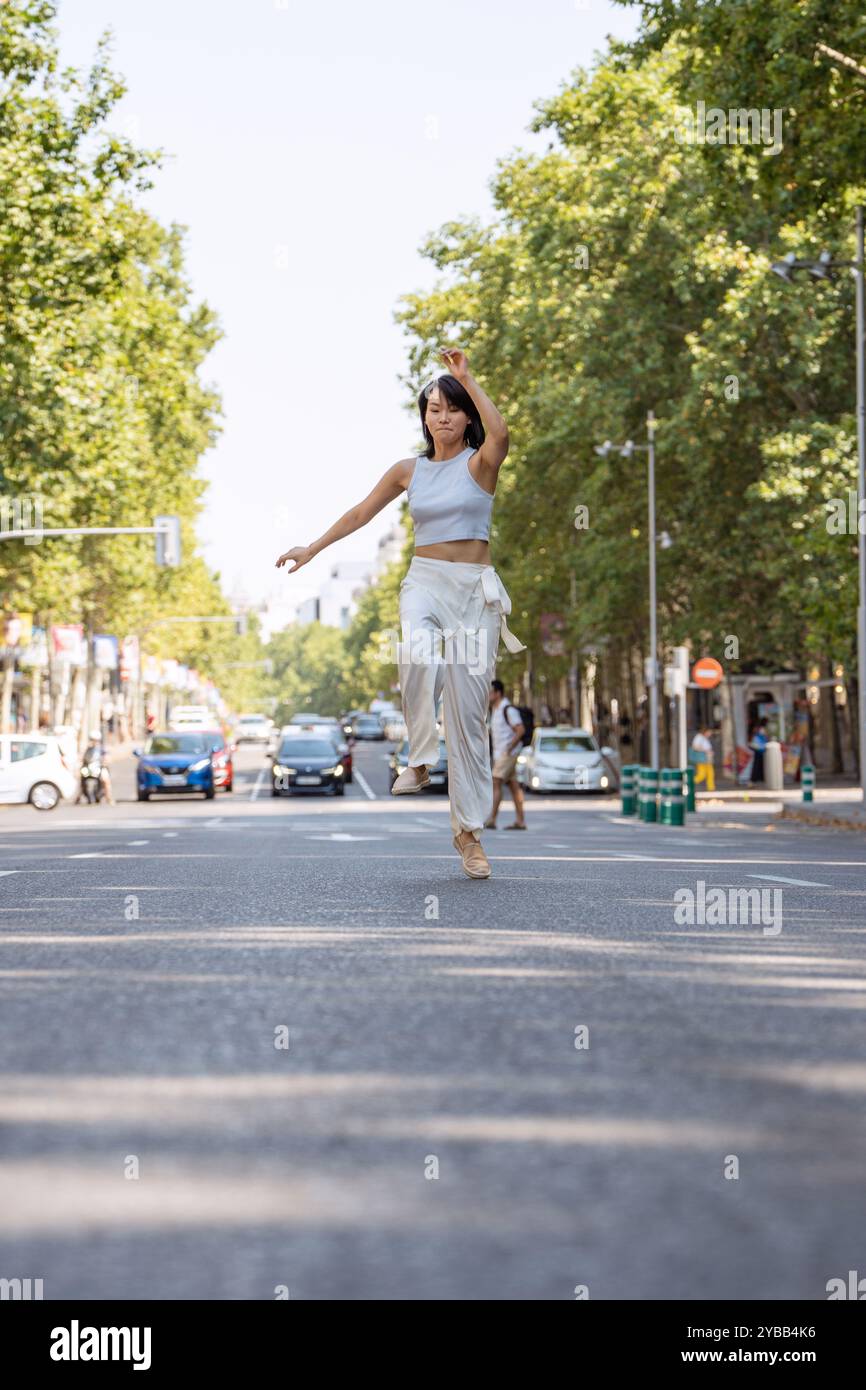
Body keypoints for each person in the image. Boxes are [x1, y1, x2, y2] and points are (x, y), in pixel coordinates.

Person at [275, 346, 525, 880]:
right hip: (425, 583)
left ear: (466, 417)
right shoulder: (408, 470)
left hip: (474, 592)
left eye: (452, 408)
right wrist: (311, 549)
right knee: (414, 651)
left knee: (467, 715)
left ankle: (469, 835)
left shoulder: (480, 464)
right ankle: (418, 757)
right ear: (424, 417)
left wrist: (468, 378)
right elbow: (361, 513)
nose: (442, 416)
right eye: (433, 408)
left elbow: (501, 434)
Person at [485, 680, 526, 829]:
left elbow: (520, 730)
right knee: (514, 786)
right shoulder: (495, 710)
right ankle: (520, 821)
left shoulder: (508, 709)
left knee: (496, 781)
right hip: (500, 754)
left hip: (507, 754)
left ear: (498, 693)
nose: (488, 695)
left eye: (490, 692)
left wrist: (509, 749)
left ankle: (492, 819)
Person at [691, 724, 715, 792]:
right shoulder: (699, 737)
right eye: (709, 732)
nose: (710, 734)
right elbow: (695, 747)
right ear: (705, 731)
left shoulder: (704, 738)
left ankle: (711, 788)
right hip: (702, 759)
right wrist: (706, 751)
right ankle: (690, 782)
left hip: (707, 759)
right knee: (702, 774)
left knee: (711, 773)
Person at [749, 718, 768, 785]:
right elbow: (765, 737)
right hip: (760, 748)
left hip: (757, 748)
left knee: (757, 764)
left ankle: (757, 778)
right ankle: (756, 778)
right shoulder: (762, 729)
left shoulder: (757, 728)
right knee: (758, 764)